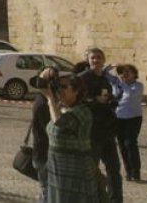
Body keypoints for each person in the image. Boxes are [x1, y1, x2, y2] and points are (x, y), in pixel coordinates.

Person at [40, 72, 103, 202]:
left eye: (64, 86)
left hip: (75, 170)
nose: (59, 90)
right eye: (58, 86)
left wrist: (50, 98)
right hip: (55, 169)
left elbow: (60, 123)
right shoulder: (59, 108)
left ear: (77, 91)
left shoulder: (83, 111)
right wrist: (43, 79)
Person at [78, 47, 122, 203]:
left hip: (107, 131)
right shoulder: (82, 78)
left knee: (114, 169)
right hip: (92, 131)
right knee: (91, 169)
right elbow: (76, 101)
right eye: (93, 58)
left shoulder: (105, 78)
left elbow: (110, 98)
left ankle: (115, 199)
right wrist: (94, 100)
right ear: (88, 61)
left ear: (103, 60)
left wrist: (111, 100)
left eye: (98, 58)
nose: (96, 61)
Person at [110, 64, 143, 183]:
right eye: (122, 72)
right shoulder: (118, 85)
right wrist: (110, 68)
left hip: (133, 118)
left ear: (134, 73)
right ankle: (128, 171)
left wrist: (121, 82)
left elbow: (129, 95)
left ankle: (136, 171)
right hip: (119, 117)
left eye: (128, 72)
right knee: (122, 145)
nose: (125, 74)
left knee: (130, 143)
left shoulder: (138, 86)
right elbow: (106, 76)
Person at [31, 67, 59, 203]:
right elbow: (53, 129)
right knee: (47, 189)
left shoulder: (48, 100)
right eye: (46, 78)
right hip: (44, 152)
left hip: (45, 152)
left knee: (47, 189)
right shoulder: (44, 103)